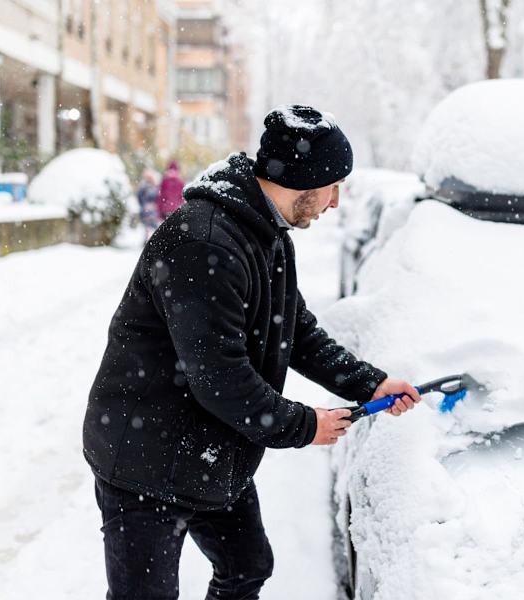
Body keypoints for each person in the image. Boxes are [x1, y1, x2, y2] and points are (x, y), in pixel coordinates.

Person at [83, 104, 421, 600]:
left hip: (212, 449)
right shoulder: (204, 242)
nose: (334, 203)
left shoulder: (266, 234)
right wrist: (306, 426)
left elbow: (295, 329)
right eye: (332, 187)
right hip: (144, 462)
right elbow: (220, 378)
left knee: (247, 568)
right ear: (304, 180)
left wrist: (368, 382)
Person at [136, 168, 160, 242]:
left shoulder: (155, 186)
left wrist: (155, 205)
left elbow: (158, 197)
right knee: (147, 227)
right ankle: (148, 240)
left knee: (153, 226)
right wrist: (144, 205)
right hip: (146, 210)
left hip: (153, 210)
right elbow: (139, 197)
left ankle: (154, 240)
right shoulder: (143, 186)